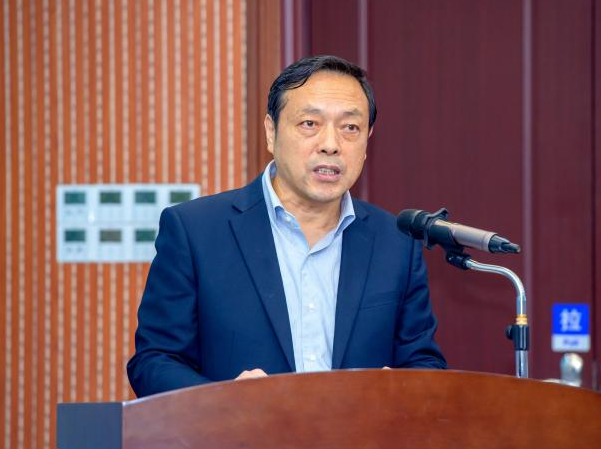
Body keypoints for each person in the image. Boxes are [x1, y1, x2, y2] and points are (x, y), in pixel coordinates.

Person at [127, 55, 446, 397]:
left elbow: (423, 362)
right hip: (239, 432)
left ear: (368, 140)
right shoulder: (196, 232)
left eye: (350, 128)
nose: (331, 144)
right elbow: (154, 362)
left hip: (361, 433)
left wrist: (401, 389)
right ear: (271, 132)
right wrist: (225, 402)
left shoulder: (396, 242)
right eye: (310, 123)